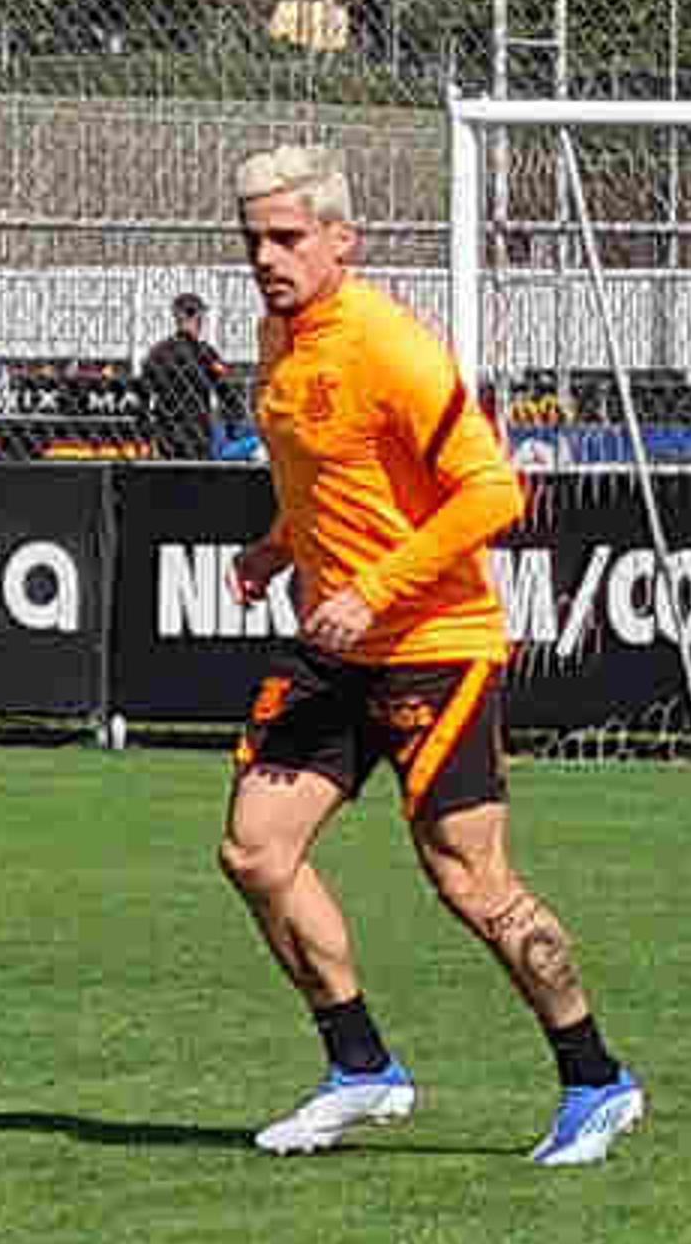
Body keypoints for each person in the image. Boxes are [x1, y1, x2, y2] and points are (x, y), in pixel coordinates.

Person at [217, 143, 643, 1165]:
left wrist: (373, 588)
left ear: (340, 241)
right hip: (334, 645)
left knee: (469, 881)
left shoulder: (386, 345)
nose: (266, 258)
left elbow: (493, 491)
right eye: (253, 240)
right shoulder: (281, 338)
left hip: (433, 647)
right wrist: (279, 547)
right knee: (256, 850)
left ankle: (596, 1079)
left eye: (286, 238)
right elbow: (341, 481)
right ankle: (361, 1068)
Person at [139, 289, 239, 459]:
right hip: (197, 431)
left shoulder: (159, 353)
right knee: (197, 479)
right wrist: (232, 424)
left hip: (167, 431)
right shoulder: (205, 353)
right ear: (197, 317)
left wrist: (145, 429)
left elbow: (143, 394)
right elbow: (226, 392)